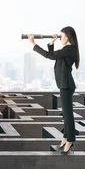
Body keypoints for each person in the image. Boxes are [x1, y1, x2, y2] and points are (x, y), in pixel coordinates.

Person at [28, 26, 80, 154]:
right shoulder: (68, 49)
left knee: (68, 116)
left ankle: (70, 141)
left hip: (66, 85)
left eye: (62, 36)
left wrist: (33, 44)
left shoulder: (69, 49)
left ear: (68, 36)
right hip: (64, 85)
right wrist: (51, 43)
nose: (60, 38)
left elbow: (49, 56)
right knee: (66, 116)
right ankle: (65, 139)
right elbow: (54, 56)